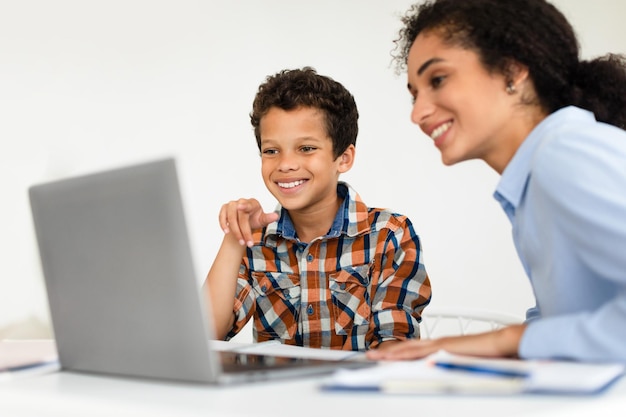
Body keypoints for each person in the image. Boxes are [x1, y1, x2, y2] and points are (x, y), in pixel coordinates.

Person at [368, 0, 626, 363]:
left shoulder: (563, 155)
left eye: (437, 80)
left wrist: (507, 340)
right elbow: (569, 321)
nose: (417, 113)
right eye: (414, 94)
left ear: (512, 70)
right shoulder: (535, 175)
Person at [203, 67, 432, 351]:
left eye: (306, 148)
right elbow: (206, 335)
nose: (285, 164)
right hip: (276, 394)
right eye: (271, 151)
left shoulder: (389, 235)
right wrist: (235, 238)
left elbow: (395, 348)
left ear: (344, 158)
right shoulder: (256, 240)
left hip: (357, 393)